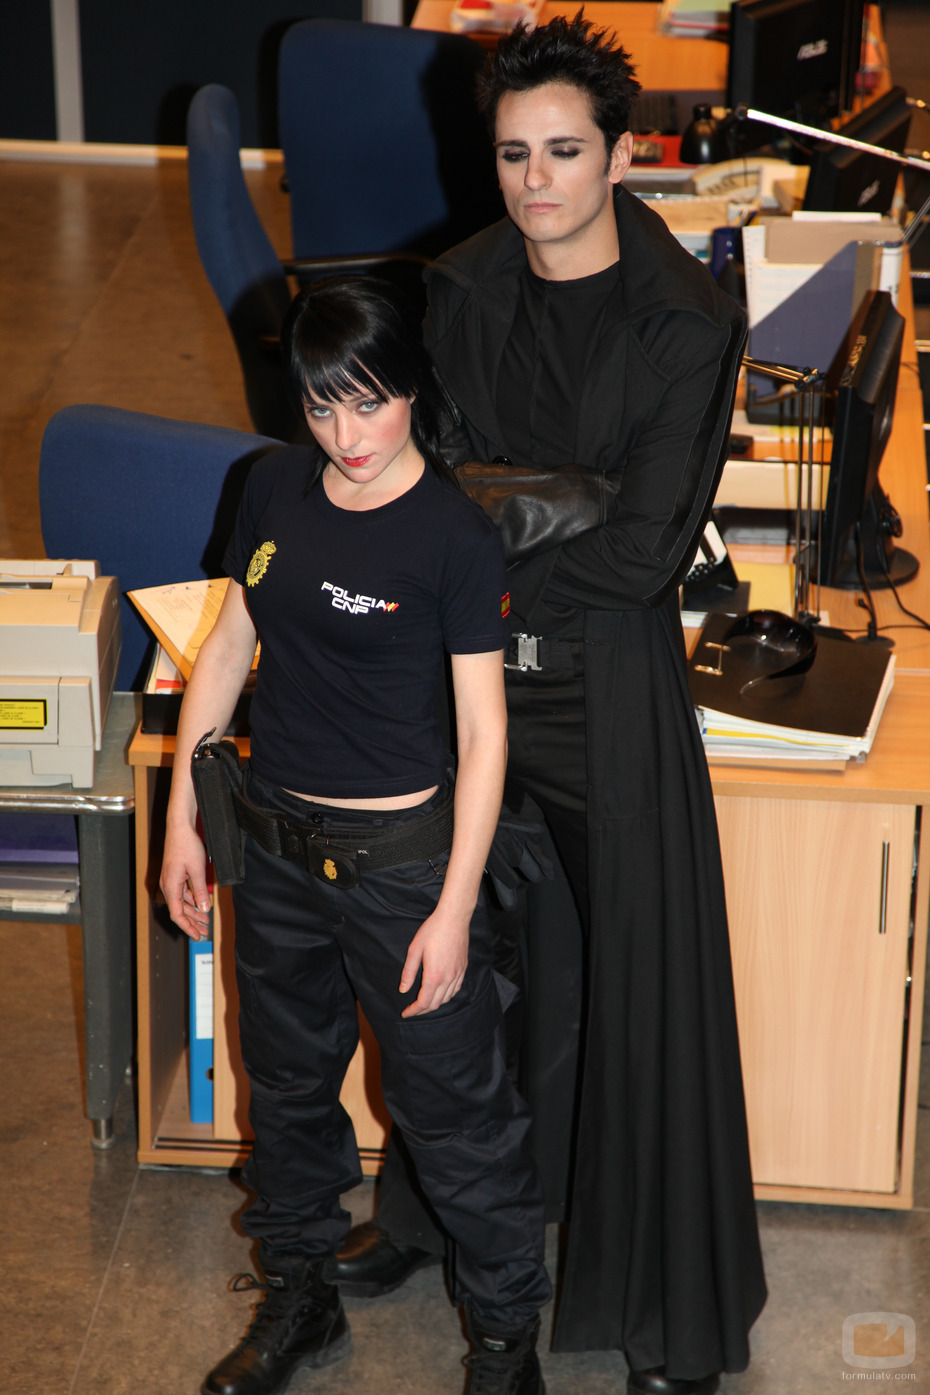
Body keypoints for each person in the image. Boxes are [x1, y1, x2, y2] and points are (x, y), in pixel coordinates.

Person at [332, 14, 767, 1395]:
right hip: (464, 676)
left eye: (566, 153)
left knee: (639, 988)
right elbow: (434, 485)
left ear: (623, 156)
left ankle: (666, 1313)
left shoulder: (686, 316)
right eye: (514, 153)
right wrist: (557, 500)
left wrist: (507, 525)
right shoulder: (456, 287)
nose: (535, 182)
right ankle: (430, 1215)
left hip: (602, 687)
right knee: (454, 965)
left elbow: (644, 553)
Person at [159, 275, 552, 1395]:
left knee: (458, 1120)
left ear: (413, 390)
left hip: (402, 872)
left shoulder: (453, 537)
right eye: (322, 405)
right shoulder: (273, 485)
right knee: (286, 1094)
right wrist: (184, 817)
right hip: (276, 853)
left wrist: (454, 908)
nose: (347, 435)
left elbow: (484, 736)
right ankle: (301, 1300)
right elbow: (229, 645)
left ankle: (504, 1347)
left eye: (369, 402)